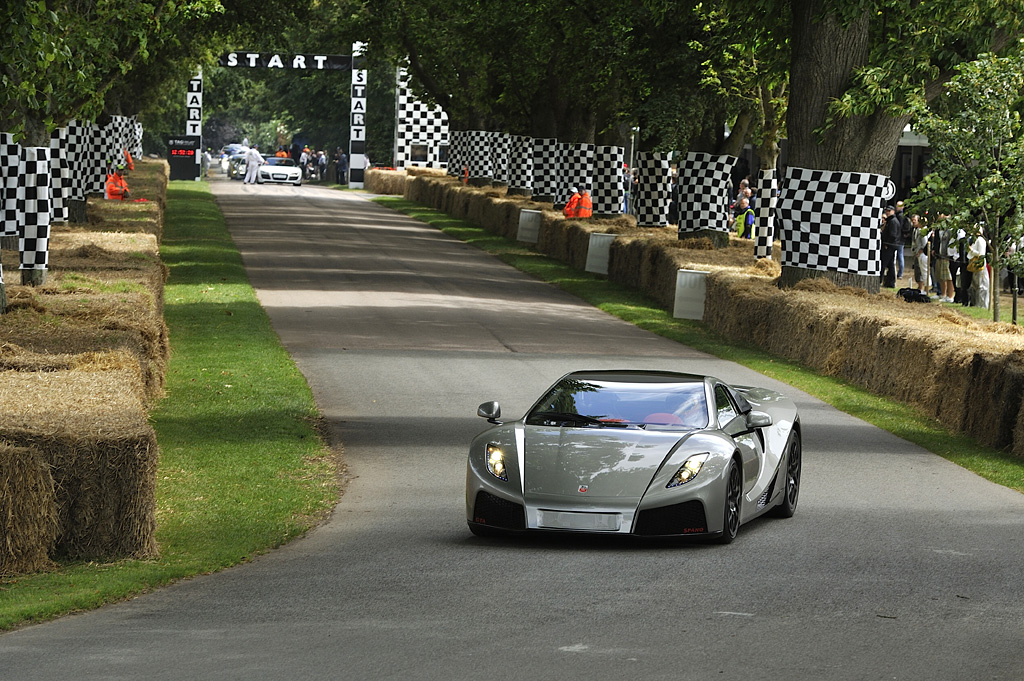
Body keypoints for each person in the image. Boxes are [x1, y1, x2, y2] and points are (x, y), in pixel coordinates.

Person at [880, 205, 901, 288]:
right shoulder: (891, 221)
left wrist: (887, 244)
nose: (887, 212)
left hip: (890, 245)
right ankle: (890, 282)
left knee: (884, 264)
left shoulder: (893, 221)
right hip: (891, 245)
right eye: (886, 211)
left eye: (889, 211)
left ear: (893, 211)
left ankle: (881, 280)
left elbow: (893, 235)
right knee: (890, 264)